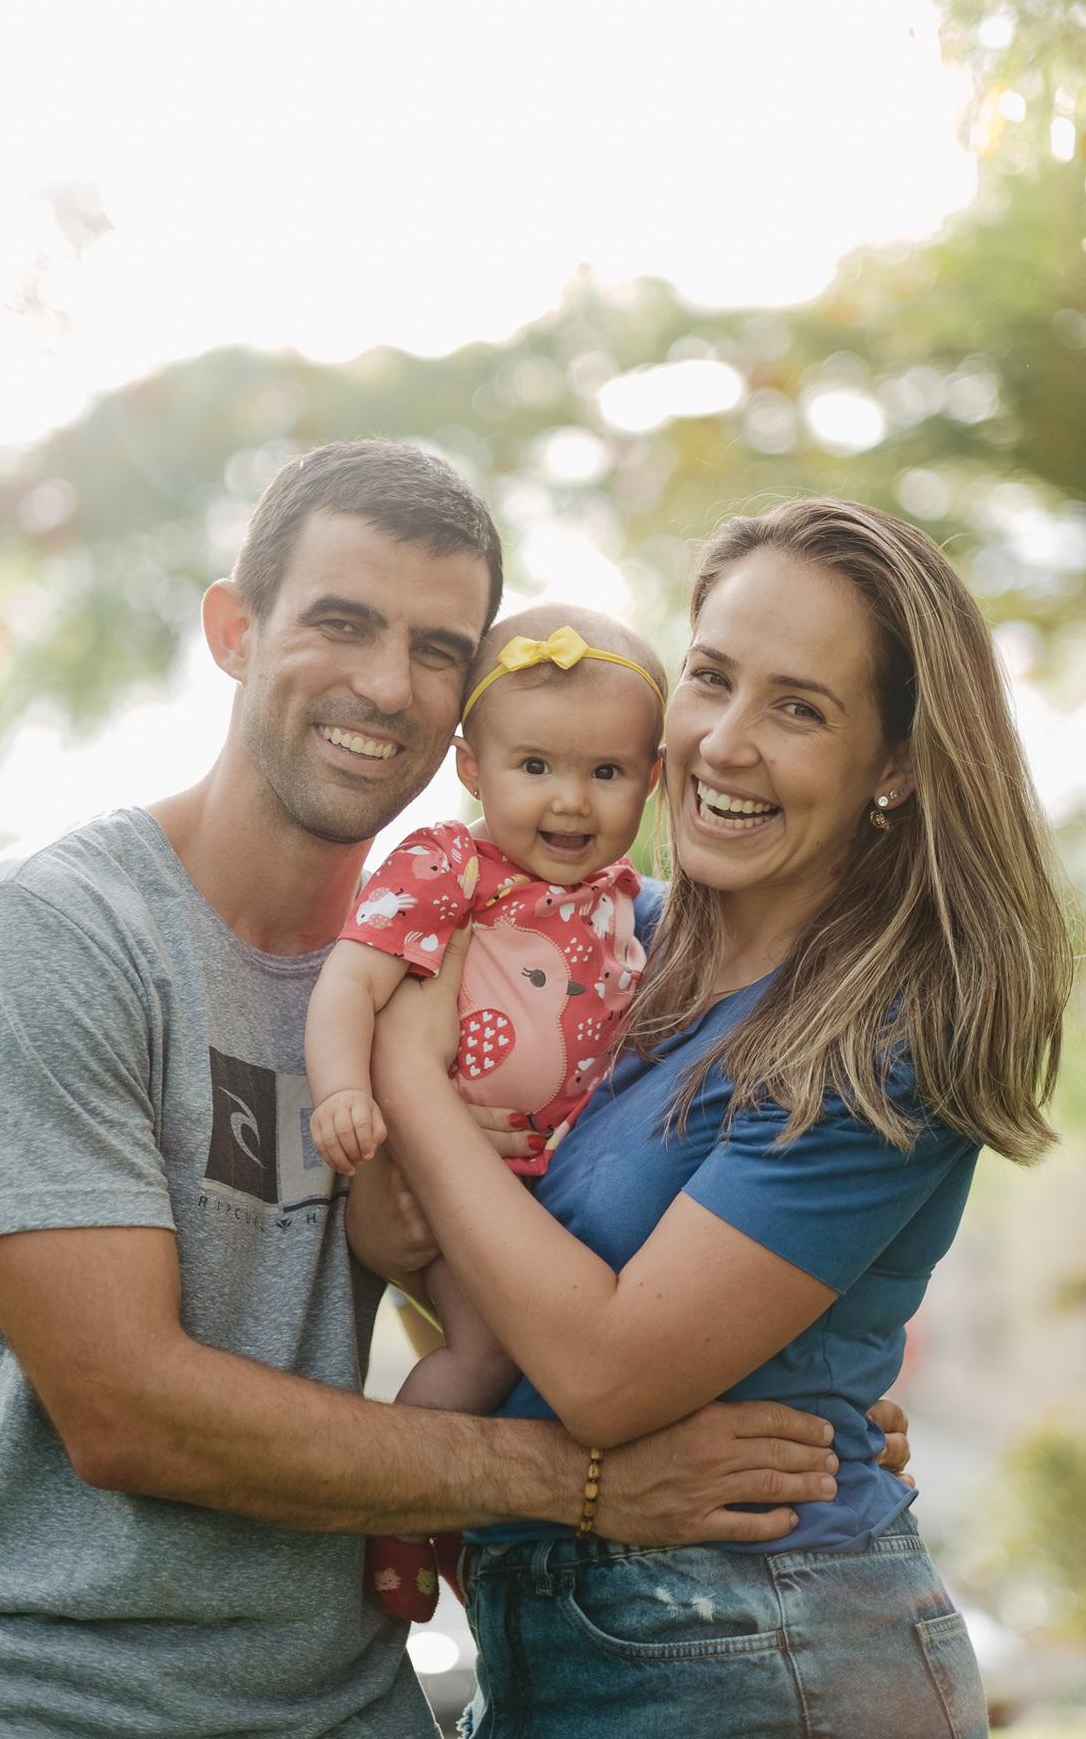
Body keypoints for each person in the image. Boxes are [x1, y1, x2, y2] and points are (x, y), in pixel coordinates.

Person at [0, 443, 858, 1739]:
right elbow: (124, 1411)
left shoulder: (474, 970)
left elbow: (549, 1254)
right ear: (235, 630)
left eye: (437, 646)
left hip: (349, 1699)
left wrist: (797, 1399)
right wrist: (582, 1484)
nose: (385, 684)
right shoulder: (54, 939)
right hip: (34, 1691)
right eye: (341, 624)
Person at [364, 498, 1074, 1739]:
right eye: (712, 679)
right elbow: (493, 1288)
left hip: (765, 1653)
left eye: (799, 708)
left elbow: (599, 1371)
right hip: (558, 1644)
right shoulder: (607, 948)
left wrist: (413, 1085)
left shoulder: (881, 1035)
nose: (724, 746)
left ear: (896, 763)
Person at [306, 605, 667, 1619]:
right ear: (473, 768)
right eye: (536, 767)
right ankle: (404, 1512)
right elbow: (352, 985)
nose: (571, 802)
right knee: (481, 1357)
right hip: (449, 1183)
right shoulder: (447, 865)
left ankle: (492, 1551)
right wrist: (345, 1092)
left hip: (547, 1190)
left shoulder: (624, 896)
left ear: (654, 779)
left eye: (607, 773)